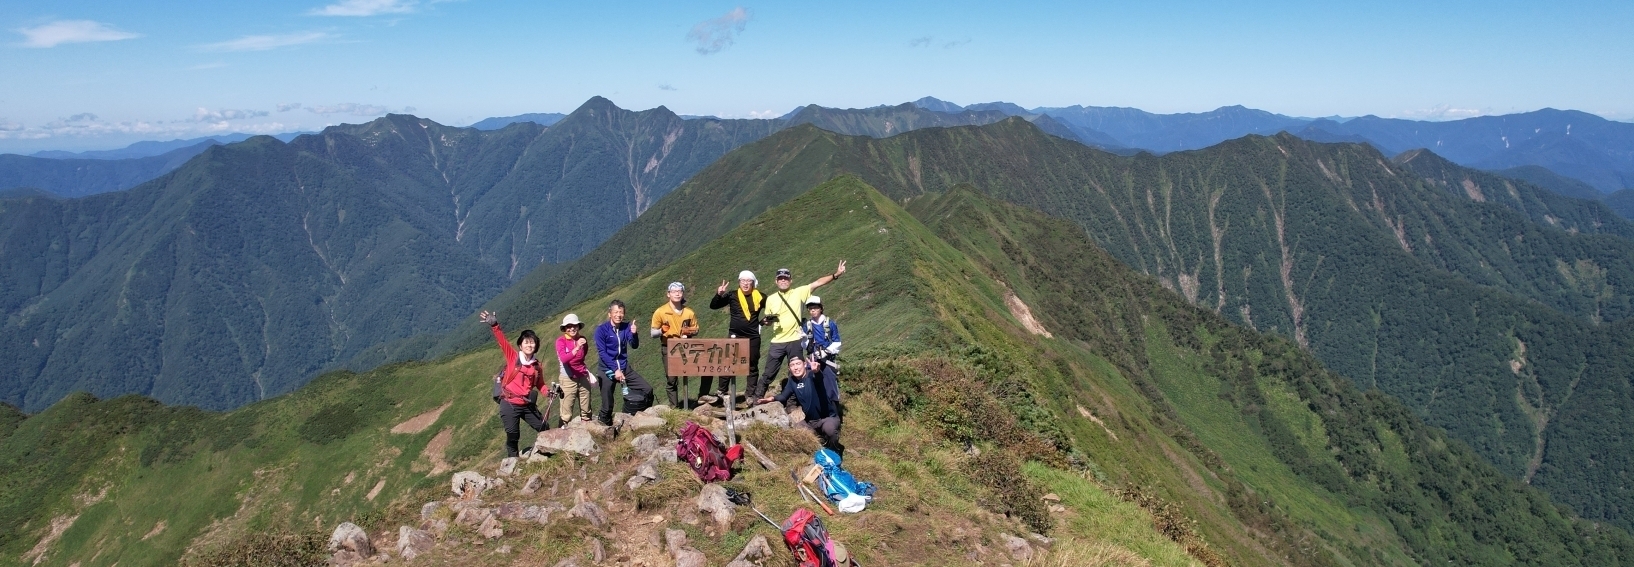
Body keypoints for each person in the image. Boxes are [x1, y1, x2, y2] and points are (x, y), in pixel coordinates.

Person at [756, 262, 846, 401]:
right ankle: (757, 398)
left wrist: (836, 275)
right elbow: (769, 319)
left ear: (791, 280)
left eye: (786, 278)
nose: (783, 280)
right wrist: (767, 322)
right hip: (777, 341)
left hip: (795, 340)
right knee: (769, 371)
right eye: (780, 278)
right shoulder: (771, 299)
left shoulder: (799, 292)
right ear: (776, 281)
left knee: (797, 371)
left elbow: (817, 283)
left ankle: (794, 401)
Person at [480, 310, 548, 458]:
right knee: (513, 435)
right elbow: (502, 342)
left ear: (536, 345)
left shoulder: (537, 365)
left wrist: (548, 392)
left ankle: (547, 452)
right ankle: (513, 461)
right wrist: (495, 325)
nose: (530, 345)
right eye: (526, 342)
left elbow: (540, 384)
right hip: (509, 402)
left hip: (526, 403)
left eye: (532, 342)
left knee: (544, 427)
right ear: (520, 345)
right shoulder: (513, 357)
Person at [758, 356, 842, 450]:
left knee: (829, 430)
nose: (796, 367)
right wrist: (770, 399)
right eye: (792, 365)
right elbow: (783, 396)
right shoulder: (792, 381)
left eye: (798, 364)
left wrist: (816, 371)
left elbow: (818, 378)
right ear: (789, 368)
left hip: (828, 418)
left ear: (805, 364)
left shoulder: (811, 375)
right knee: (797, 428)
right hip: (810, 422)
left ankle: (835, 451)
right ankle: (819, 445)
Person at [709, 270, 765, 404]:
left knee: (752, 365)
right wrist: (719, 294)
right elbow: (713, 306)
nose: (746, 283)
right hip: (735, 335)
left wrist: (764, 321)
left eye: (748, 281)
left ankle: (750, 395)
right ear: (739, 282)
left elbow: (771, 310)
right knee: (727, 363)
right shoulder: (732, 295)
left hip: (753, 336)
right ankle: (721, 391)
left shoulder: (760, 297)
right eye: (743, 281)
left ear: (753, 282)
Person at [594, 299, 651, 424]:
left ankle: (643, 419)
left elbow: (634, 345)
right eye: (615, 312)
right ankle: (604, 426)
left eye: (621, 312)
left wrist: (634, 334)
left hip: (624, 368)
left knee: (647, 389)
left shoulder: (626, 327)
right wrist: (615, 369)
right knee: (607, 405)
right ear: (609, 314)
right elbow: (602, 353)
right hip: (607, 369)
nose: (618, 315)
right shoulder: (601, 330)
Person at [650, 282, 701, 408]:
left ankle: (689, 403)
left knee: (692, 372)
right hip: (668, 347)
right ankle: (674, 407)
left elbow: (696, 329)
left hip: (685, 347)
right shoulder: (661, 311)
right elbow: (653, 333)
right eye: (674, 291)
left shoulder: (689, 312)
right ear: (668, 294)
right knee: (672, 378)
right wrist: (662, 330)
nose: (677, 293)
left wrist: (688, 332)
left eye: (680, 291)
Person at [555, 314, 594, 423]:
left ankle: (587, 430)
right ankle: (563, 432)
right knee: (566, 412)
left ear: (578, 327)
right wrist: (576, 348)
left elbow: (583, 354)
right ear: (564, 328)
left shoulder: (583, 339)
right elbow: (563, 359)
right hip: (568, 378)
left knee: (586, 409)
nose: (572, 328)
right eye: (569, 326)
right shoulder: (560, 341)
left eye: (575, 325)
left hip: (582, 375)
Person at [802, 296, 842, 376]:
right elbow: (806, 346)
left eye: (816, 308)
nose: (813, 310)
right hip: (813, 361)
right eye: (810, 308)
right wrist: (804, 339)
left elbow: (837, 342)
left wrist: (826, 351)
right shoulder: (807, 325)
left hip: (828, 360)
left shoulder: (830, 324)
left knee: (830, 382)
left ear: (821, 308)